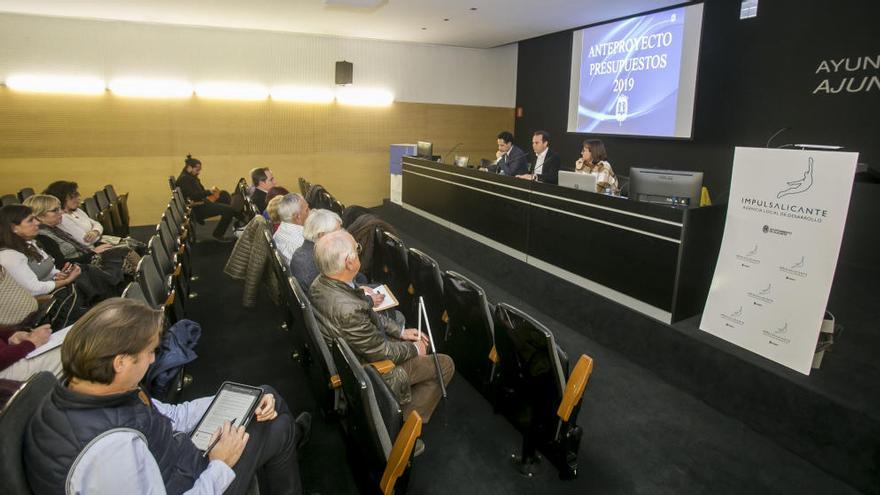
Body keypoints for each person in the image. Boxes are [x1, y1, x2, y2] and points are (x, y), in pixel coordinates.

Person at [24, 298, 309, 495]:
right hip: (193, 478)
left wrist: (240, 399)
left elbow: (173, 416)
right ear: (120, 362)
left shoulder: (93, 390)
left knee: (264, 397)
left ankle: (290, 432)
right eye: (149, 352)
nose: (152, 360)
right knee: (280, 425)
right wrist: (220, 464)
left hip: (177, 462)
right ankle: (292, 434)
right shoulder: (110, 450)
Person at [310, 230, 454, 426]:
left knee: (416, 345)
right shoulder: (348, 310)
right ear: (349, 262)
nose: (359, 251)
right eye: (357, 249)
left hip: (356, 355)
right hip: (372, 375)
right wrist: (414, 348)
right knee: (445, 364)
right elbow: (381, 353)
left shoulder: (321, 283)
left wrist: (401, 332)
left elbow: (368, 313)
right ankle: (402, 428)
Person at [0, 204, 81, 296]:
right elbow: (34, 290)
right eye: (30, 220)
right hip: (45, 303)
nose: (37, 222)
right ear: (14, 228)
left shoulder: (30, 243)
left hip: (54, 292)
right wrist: (66, 281)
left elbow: (49, 271)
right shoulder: (9, 256)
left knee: (88, 272)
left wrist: (59, 275)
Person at [176, 154, 239, 242]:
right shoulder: (184, 179)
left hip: (202, 202)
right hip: (198, 208)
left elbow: (198, 192)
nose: (198, 172)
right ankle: (218, 234)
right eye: (197, 170)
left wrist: (210, 193)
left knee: (224, 194)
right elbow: (193, 196)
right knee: (228, 210)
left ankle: (233, 215)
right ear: (189, 167)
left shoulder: (190, 177)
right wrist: (209, 192)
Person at [289, 209, 342, 291]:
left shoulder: (302, 251)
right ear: (321, 235)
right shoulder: (318, 262)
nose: (342, 236)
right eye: (337, 233)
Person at [43, 181, 103, 247]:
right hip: (91, 251)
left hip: (98, 244)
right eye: (73, 196)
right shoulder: (62, 218)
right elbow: (85, 242)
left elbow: (97, 224)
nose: (78, 198)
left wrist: (95, 232)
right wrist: (98, 233)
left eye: (77, 194)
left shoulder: (77, 211)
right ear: (62, 198)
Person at [273, 193, 309, 266]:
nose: (310, 211)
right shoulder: (303, 242)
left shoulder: (280, 231)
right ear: (298, 217)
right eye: (307, 210)